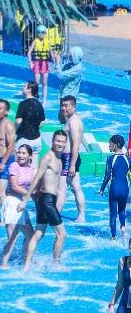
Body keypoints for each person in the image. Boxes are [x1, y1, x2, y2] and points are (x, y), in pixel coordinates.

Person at [22, 131, 67, 268]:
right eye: (58, 141)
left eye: (62, 141)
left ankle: (26, 264)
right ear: (52, 141)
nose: (60, 144)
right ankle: (56, 264)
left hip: (46, 199)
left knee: (39, 233)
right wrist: (26, 199)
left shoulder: (59, 159)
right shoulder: (48, 157)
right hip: (47, 200)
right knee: (61, 234)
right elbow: (37, 178)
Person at [0, 144, 37, 266]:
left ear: (30, 156)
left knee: (31, 236)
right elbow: (14, 187)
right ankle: (3, 264)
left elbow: (33, 186)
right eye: (19, 152)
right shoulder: (14, 166)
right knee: (13, 238)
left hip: (21, 204)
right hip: (12, 203)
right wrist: (31, 194)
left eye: (24, 153)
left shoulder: (30, 168)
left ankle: (24, 259)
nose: (20, 155)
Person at [58, 94, 87, 224]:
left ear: (74, 107)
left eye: (66, 106)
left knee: (62, 189)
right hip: (70, 158)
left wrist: (72, 165)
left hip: (69, 159)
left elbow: (75, 145)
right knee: (75, 187)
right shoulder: (74, 118)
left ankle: (56, 214)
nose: (63, 108)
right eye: (62, 105)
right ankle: (81, 216)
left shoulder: (74, 122)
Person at [102, 134, 131, 243]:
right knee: (122, 210)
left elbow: (107, 176)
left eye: (110, 144)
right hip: (124, 188)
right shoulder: (128, 159)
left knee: (113, 214)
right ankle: (123, 227)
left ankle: (113, 237)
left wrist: (102, 189)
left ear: (116, 145)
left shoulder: (110, 158)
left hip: (114, 188)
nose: (109, 146)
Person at [14, 81, 46, 161]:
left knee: (19, 164)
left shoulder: (23, 104)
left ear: (29, 90)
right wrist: (35, 128)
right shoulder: (39, 104)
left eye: (24, 86)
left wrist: (13, 132)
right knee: (34, 165)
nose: (22, 88)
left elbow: (18, 121)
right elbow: (43, 121)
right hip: (36, 140)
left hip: (24, 140)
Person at [28, 24, 52, 103]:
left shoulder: (48, 41)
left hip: (45, 63)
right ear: (37, 33)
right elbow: (29, 53)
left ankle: (44, 99)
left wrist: (55, 64)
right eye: (39, 32)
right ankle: (36, 97)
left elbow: (51, 53)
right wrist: (30, 63)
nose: (41, 34)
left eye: (43, 32)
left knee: (45, 83)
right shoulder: (35, 41)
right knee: (36, 83)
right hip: (37, 63)